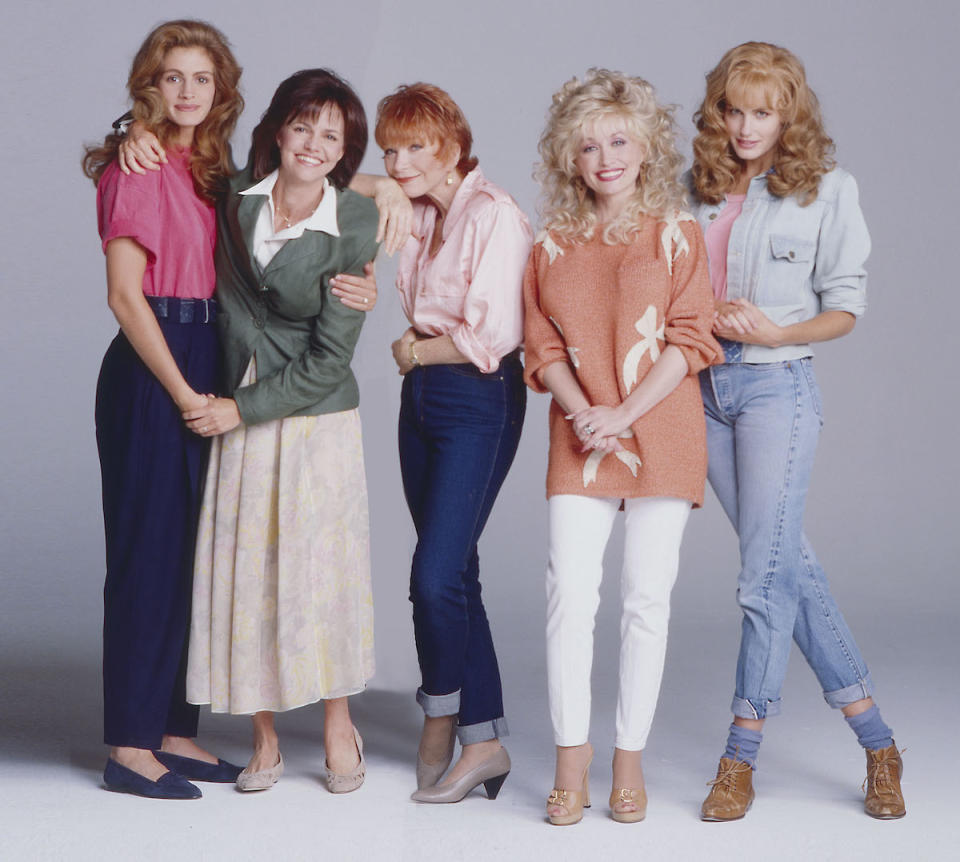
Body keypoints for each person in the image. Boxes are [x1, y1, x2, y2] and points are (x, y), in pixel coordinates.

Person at [689, 41, 905, 821]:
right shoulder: (696, 188)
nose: (747, 127)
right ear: (718, 112)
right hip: (699, 393)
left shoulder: (827, 189)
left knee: (761, 577)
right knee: (788, 567)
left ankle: (740, 753)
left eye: (764, 112)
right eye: (734, 110)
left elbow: (846, 307)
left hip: (776, 387)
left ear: (790, 115)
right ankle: (878, 742)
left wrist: (775, 335)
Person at [170, 68, 382, 793]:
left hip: (313, 418)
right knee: (245, 572)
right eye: (304, 126)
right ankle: (262, 737)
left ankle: (336, 724)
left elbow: (329, 360)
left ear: (346, 150)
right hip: (236, 400)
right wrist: (130, 132)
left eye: (334, 135)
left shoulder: (354, 220)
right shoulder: (231, 196)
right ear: (278, 130)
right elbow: (173, 144)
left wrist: (240, 408)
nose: (315, 144)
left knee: (321, 570)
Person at [523, 69, 722, 825]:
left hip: (662, 434)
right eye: (588, 144)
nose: (605, 156)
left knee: (647, 599)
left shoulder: (678, 235)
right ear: (567, 157)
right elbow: (540, 349)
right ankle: (571, 759)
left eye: (618, 140)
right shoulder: (550, 245)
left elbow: (690, 337)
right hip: (582, 437)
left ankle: (628, 759)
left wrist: (625, 413)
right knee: (568, 596)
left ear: (644, 146)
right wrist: (587, 416)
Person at [82, 19, 245, 799]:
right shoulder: (136, 167)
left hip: (205, 354)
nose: (187, 91)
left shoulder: (208, 168)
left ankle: (176, 728)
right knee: (148, 556)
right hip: (156, 369)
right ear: (150, 82)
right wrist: (184, 393)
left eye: (202, 79)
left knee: (195, 555)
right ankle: (128, 744)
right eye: (173, 76)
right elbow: (124, 294)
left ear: (221, 90)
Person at [374, 83, 532, 803]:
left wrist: (414, 352)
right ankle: (485, 740)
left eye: (415, 148)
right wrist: (382, 180)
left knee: (433, 575)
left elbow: (491, 337)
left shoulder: (493, 213)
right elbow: (326, 172)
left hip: (475, 395)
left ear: (452, 147)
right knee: (456, 572)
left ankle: (441, 714)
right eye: (390, 149)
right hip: (422, 399)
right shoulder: (418, 210)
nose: (398, 161)